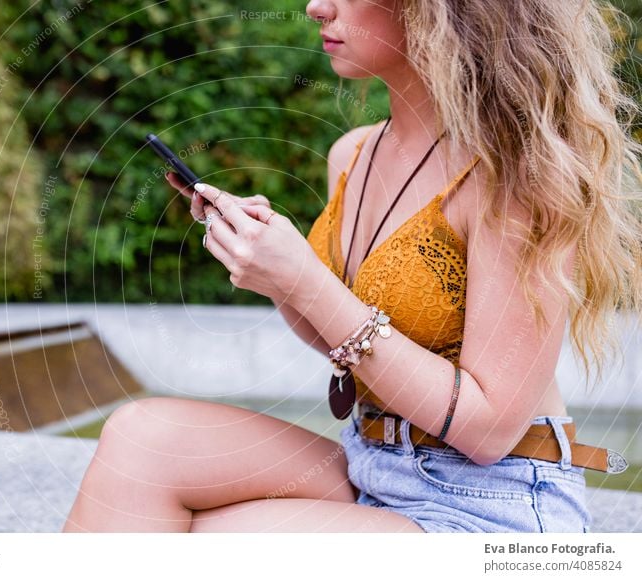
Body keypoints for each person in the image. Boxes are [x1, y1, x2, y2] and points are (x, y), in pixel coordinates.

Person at [63, 0, 642, 533]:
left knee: (202, 543)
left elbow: (490, 429)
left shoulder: (516, 174)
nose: (316, 6)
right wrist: (272, 270)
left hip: (497, 503)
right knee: (141, 439)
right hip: (372, 465)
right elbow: (341, 339)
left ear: (435, 11)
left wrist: (305, 279)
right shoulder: (355, 154)